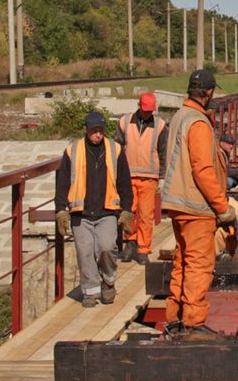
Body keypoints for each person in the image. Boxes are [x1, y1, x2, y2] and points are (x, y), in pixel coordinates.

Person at [160, 69, 238, 338]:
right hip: (196, 206)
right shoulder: (198, 123)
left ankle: (175, 318)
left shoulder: (179, 117)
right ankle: (193, 322)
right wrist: (222, 207)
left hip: (178, 204)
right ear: (209, 92)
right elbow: (203, 170)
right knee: (199, 265)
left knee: (182, 262)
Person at [54, 112, 134, 308]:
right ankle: (90, 291)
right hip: (81, 213)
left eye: (100, 131)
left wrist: (126, 210)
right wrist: (61, 210)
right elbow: (62, 182)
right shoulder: (72, 151)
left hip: (107, 211)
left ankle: (108, 281)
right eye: (94, 131)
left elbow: (125, 182)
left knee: (106, 247)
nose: (98, 135)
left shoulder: (115, 150)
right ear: (86, 130)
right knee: (85, 251)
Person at [114, 92, 169, 265]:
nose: (147, 113)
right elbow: (117, 148)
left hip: (149, 177)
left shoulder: (160, 125)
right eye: (145, 110)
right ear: (139, 106)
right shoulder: (124, 122)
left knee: (146, 215)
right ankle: (130, 243)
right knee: (129, 212)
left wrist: (162, 177)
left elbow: (163, 152)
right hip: (127, 175)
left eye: (150, 111)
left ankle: (143, 249)